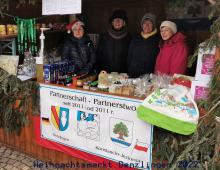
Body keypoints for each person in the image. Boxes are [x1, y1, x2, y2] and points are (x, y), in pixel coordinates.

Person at [96, 9, 130, 73]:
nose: (117, 22)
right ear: (112, 22)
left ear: (124, 23)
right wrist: (100, 71)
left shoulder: (129, 37)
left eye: (120, 20)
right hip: (106, 72)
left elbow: (130, 57)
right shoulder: (104, 36)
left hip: (123, 73)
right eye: (115, 20)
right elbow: (99, 55)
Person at [127, 13, 160, 78]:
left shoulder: (159, 39)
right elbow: (129, 56)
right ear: (142, 25)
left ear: (154, 25)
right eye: (145, 23)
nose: (147, 25)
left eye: (150, 23)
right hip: (134, 73)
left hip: (150, 75)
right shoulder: (135, 37)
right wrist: (129, 69)